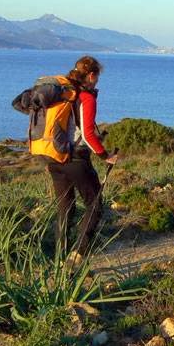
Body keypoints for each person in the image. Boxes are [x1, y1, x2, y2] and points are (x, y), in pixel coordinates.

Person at [46, 55, 118, 257]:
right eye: (98, 76)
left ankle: (60, 257)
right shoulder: (86, 97)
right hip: (76, 159)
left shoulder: (64, 94)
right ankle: (78, 254)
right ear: (92, 75)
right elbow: (86, 133)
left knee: (65, 209)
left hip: (55, 158)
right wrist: (105, 156)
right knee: (94, 206)